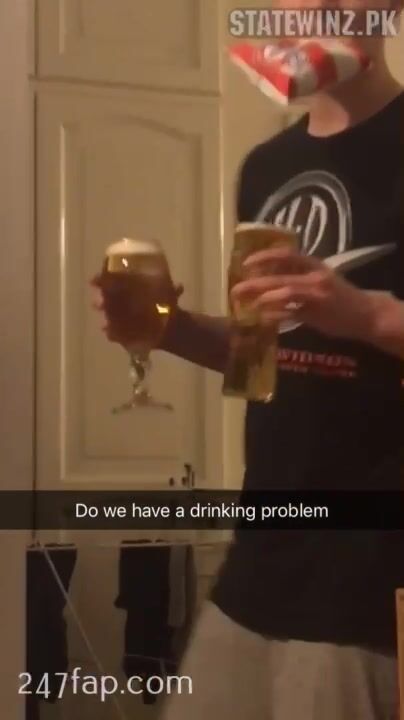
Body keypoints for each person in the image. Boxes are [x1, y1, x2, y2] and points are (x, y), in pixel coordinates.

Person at [92, 2, 404, 717]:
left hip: (369, 579)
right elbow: (261, 353)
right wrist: (167, 328)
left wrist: (364, 314)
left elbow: (352, 321)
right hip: (257, 566)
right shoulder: (268, 166)